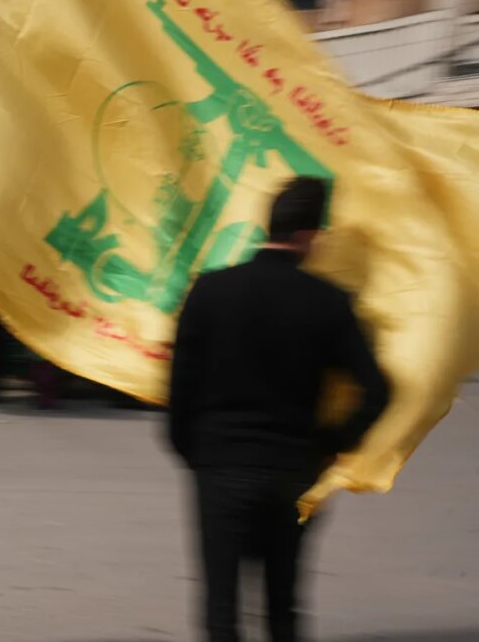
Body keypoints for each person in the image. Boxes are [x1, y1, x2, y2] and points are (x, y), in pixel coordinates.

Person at [167, 177, 390, 642]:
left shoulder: (210, 291)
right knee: (282, 604)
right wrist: (326, 448)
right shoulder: (328, 302)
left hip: (221, 465)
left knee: (220, 607)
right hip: (291, 468)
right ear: (309, 235)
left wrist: (200, 455)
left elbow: (180, 390)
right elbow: (376, 390)